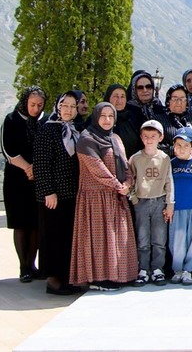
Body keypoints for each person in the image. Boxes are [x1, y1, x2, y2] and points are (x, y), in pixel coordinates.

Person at [70, 103, 137, 291]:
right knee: (100, 241)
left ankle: (120, 275)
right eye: (103, 116)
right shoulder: (87, 139)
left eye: (111, 116)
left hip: (116, 196)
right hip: (96, 199)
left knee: (117, 239)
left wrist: (128, 183)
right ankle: (98, 278)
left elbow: (125, 164)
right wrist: (118, 186)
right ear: (96, 116)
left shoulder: (115, 138)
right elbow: (97, 168)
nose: (107, 120)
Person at [33, 92, 81, 295]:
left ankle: (67, 277)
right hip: (53, 196)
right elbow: (41, 164)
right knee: (52, 236)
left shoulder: (77, 131)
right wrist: (48, 192)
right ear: (58, 107)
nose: (68, 109)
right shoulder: (47, 130)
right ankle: (53, 280)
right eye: (65, 105)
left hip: (72, 194)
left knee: (67, 238)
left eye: (73, 106)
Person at [1, 85, 46, 283]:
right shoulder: (11, 120)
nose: (35, 108)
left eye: (39, 105)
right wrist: (28, 167)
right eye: (32, 104)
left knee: (36, 223)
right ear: (25, 102)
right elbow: (7, 149)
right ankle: (23, 266)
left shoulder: (45, 121)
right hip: (17, 179)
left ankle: (32, 264)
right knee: (21, 224)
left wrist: (37, 168)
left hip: (38, 180)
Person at [129, 120, 174, 286]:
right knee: (142, 238)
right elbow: (130, 180)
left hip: (159, 201)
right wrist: (133, 199)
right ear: (141, 137)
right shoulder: (135, 158)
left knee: (159, 238)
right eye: (146, 136)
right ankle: (143, 269)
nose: (149, 140)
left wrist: (170, 204)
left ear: (160, 138)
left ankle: (157, 269)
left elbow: (169, 182)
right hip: (141, 202)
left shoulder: (165, 158)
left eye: (153, 136)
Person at [169, 127, 192, 285]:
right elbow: (168, 187)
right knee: (176, 240)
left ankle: (188, 270)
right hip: (176, 209)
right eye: (178, 145)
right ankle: (177, 269)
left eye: (186, 145)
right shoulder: (171, 163)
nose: (182, 149)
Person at [163, 84, 192, 158]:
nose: (179, 102)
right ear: (168, 101)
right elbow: (155, 146)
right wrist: (179, 149)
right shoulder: (160, 120)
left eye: (182, 99)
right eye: (175, 99)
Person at [105, 83, 145, 159]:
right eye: (115, 96)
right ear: (108, 98)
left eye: (123, 97)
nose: (119, 100)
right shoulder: (100, 117)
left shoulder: (134, 117)